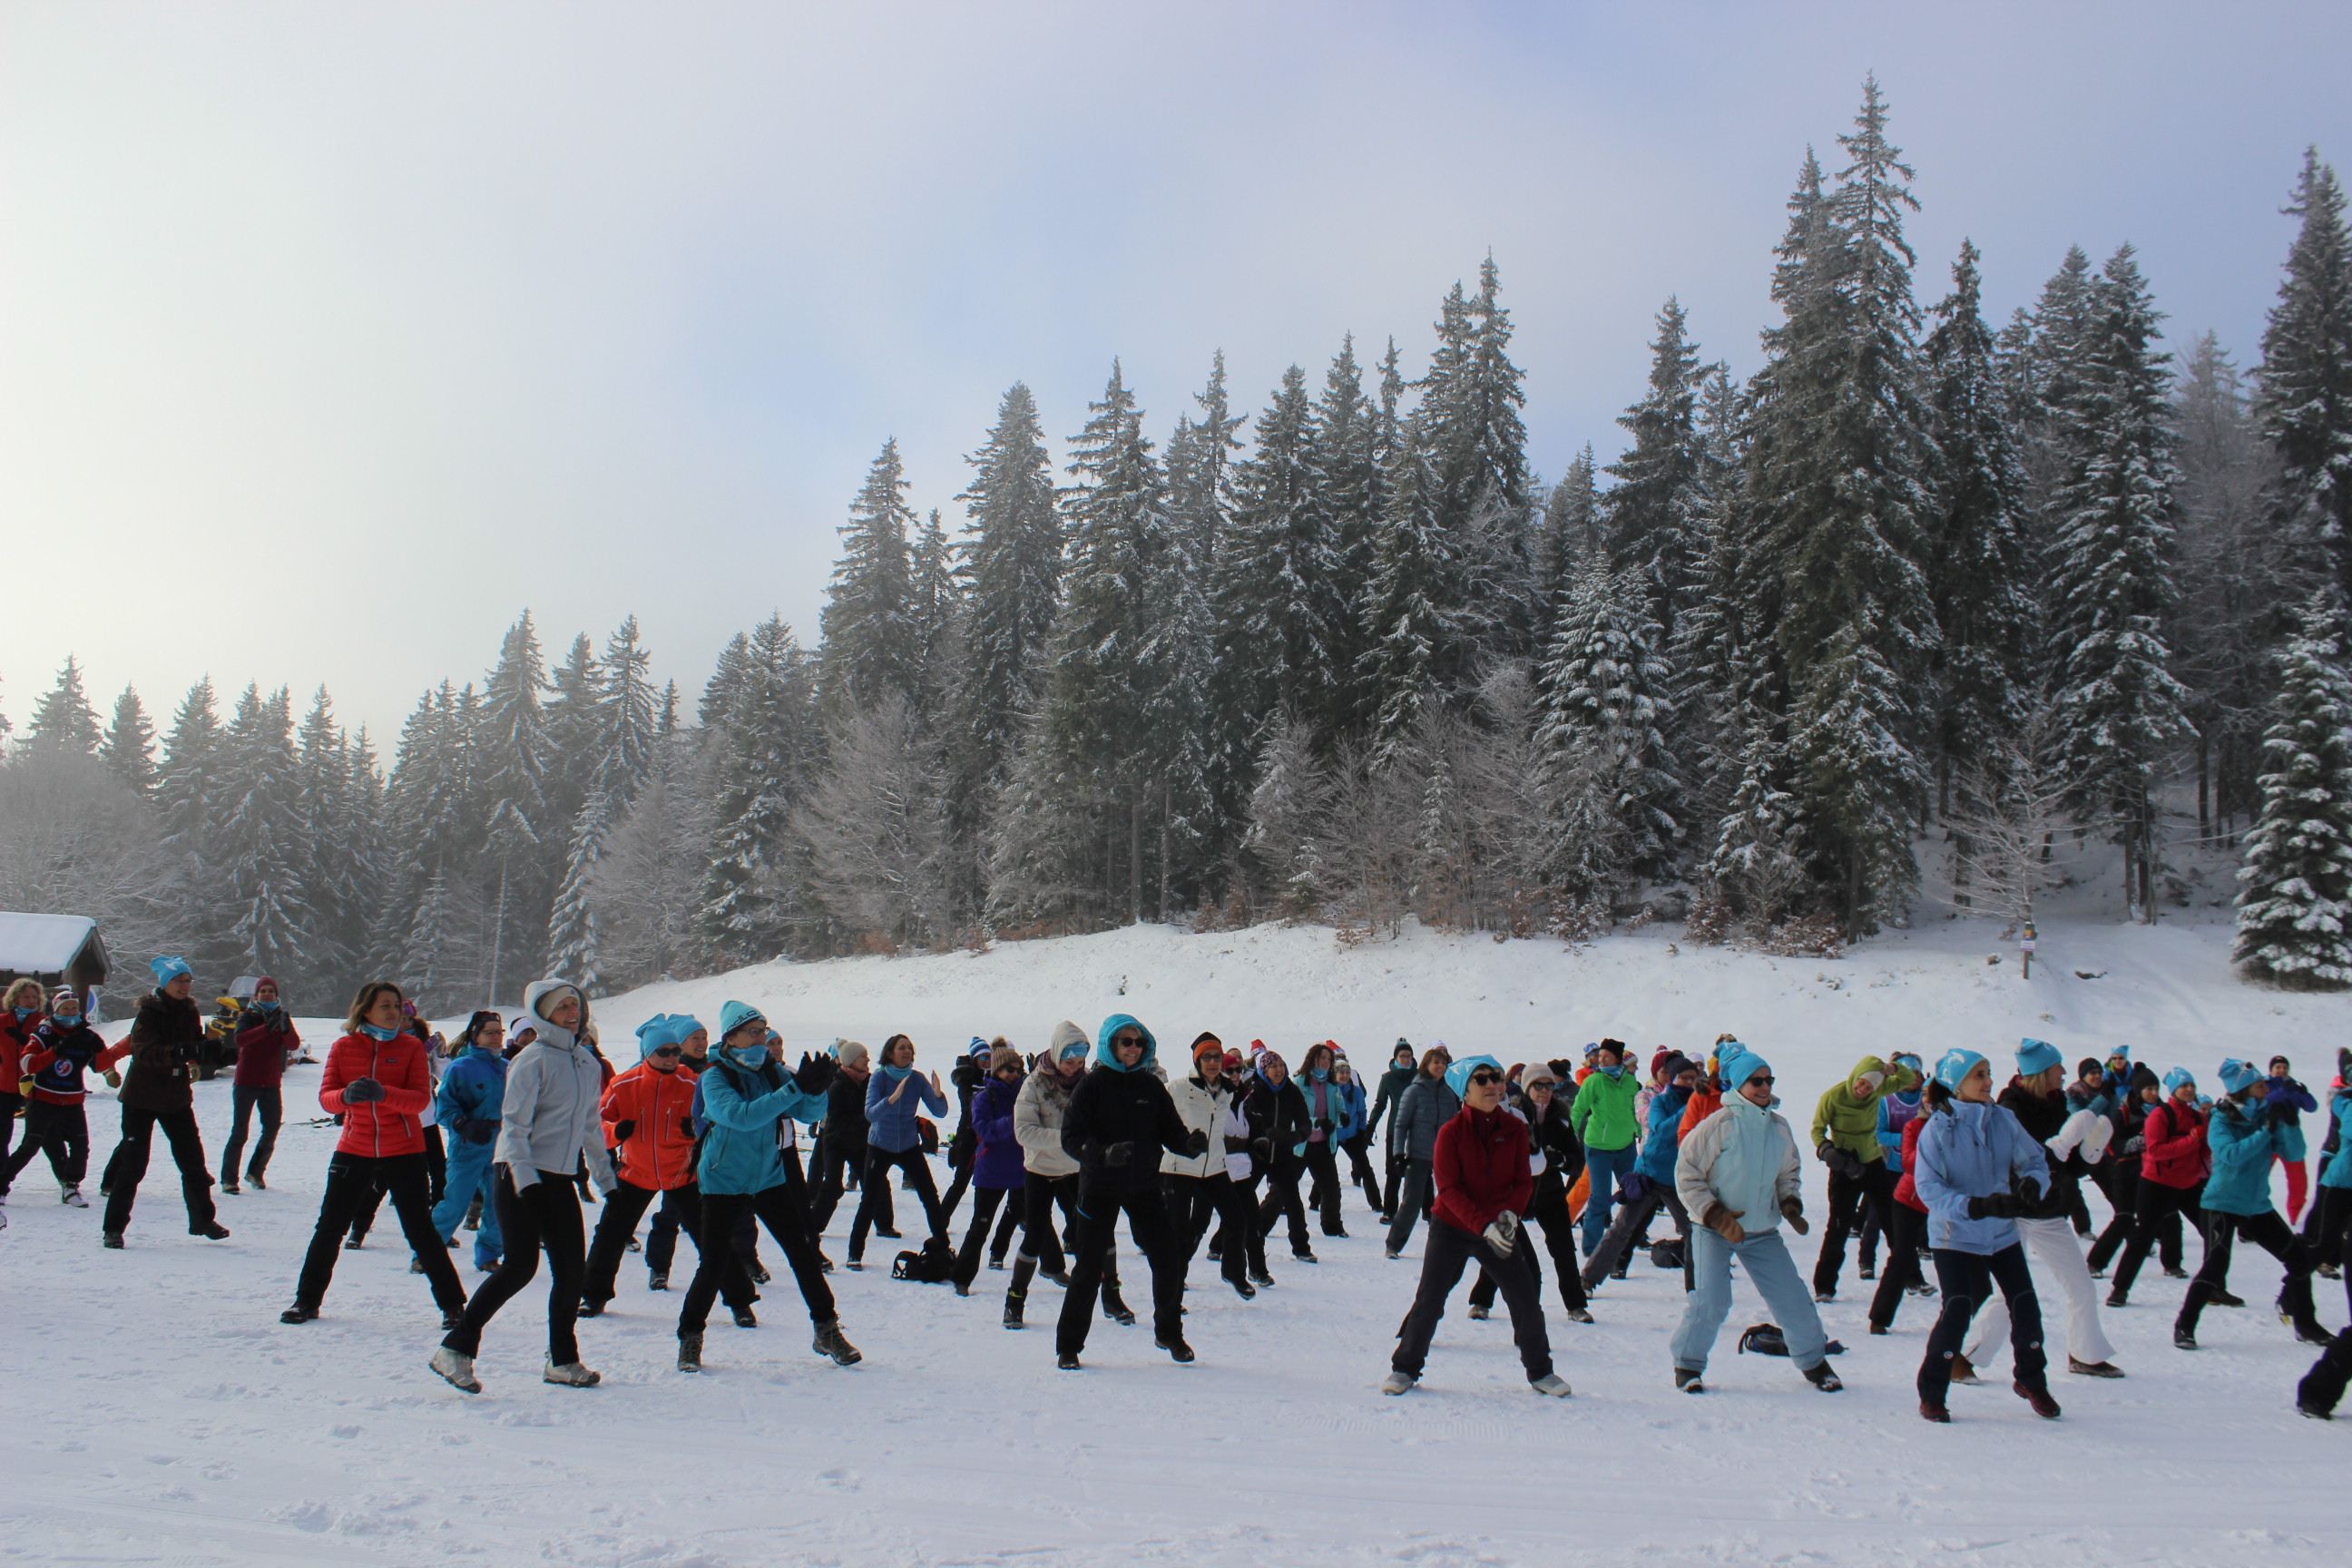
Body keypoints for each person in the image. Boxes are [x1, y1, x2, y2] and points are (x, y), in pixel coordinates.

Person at [429, 981, 615, 1392]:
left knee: (571, 1271)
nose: (572, 1010)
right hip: (516, 1172)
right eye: (563, 1005)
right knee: (519, 1267)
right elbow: (513, 1126)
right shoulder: (531, 1059)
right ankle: (455, 1350)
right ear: (542, 1013)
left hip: (559, 1176)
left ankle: (562, 1361)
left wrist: (607, 1181)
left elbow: (589, 1126)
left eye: (576, 1004)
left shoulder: (585, 1062)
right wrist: (526, 1181)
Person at [669, 1002, 857, 1376]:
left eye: (764, 1030)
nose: (762, 1037)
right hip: (723, 1180)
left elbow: (808, 1114)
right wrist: (796, 1089)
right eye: (753, 1031)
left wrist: (816, 1089)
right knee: (715, 1262)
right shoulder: (715, 1077)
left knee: (803, 1253)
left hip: (769, 1176)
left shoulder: (772, 1071)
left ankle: (827, 1329)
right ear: (731, 1037)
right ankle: (690, 1335)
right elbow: (741, 1116)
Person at [1384, 1054, 1571, 1398]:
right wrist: (1484, 1226)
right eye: (1480, 1079)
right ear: (1464, 1092)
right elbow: (1449, 1190)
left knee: (1525, 1298)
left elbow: (1522, 1179)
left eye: (1495, 1078)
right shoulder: (1450, 1133)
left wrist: (1510, 1215)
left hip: (1499, 1226)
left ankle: (1541, 1371)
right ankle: (1405, 1368)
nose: (1491, 1085)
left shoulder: (1514, 1128)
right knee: (1431, 1298)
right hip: (1452, 1227)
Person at [282, 981, 466, 1324]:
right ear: (365, 1009)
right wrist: (346, 1096)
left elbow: (419, 1100)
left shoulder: (411, 1047)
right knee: (330, 1227)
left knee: (420, 1230)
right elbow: (326, 1097)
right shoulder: (343, 1047)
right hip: (354, 1147)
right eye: (385, 1006)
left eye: (396, 1006)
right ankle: (306, 1301)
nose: (394, 1012)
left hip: (405, 1149)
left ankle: (453, 1306)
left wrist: (382, 1093)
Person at [1667, 1043, 1838, 1395]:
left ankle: (1814, 1362)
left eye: (1768, 1080)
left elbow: (1788, 1171)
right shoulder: (1718, 1124)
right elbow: (1687, 1174)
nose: (1764, 1087)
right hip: (1713, 1229)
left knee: (1793, 1299)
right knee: (1711, 1301)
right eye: (1755, 1081)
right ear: (1738, 1085)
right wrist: (1714, 1213)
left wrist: (1789, 1202)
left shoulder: (1779, 1127)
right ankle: (1688, 1364)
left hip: (1761, 1230)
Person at [1952, 1040, 2124, 1380]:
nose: (2063, 1073)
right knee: (2011, 1292)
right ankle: (1964, 1358)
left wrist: (2091, 1150)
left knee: (2081, 1286)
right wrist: (2060, 1144)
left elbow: (2067, 1167)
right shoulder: (2009, 1107)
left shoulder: (2057, 1102)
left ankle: (2085, 1355)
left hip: (2048, 1210)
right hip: (2014, 1208)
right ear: (2041, 1072)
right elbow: (2023, 1162)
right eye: (2058, 1067)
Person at [1912, 1047, 2061, 1424]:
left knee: (2025, 1303)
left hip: (2000, 1231)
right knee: (1958, 1307)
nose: (1989, 1081)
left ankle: (2031, 1380)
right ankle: (1932, 1391)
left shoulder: (2003, 1119)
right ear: (1955, 1083)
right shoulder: (1937, 1130)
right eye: (1979, 1075)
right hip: (1954, 1233)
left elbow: (2035, 1160)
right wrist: (1975, 1207)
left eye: (1988, 1073)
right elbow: (1929, 1190)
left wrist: (2031, 1184)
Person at [1053, 1014, 1209, 1369]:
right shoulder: (1091, 1087)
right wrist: (1103, 1154)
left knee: (1167, 1261)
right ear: (1111, 1045)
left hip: (1144, 1186)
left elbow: (1170, 1130)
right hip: (1100, 1187)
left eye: (1139, 1042)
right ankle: (1069, 1345)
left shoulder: (1151, 1086)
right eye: (1127, 1042)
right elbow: (1071, 1138)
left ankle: (1169, 1333)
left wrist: (1189, 1144)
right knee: (1089, 1267)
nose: (1134, 1048)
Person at [579, 1015, 750, 1317]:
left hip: (683, 1174)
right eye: (664, 1052)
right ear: (647, 1053)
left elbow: (717, 1120)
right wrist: (616, 1132)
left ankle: (740, 1301)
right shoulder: (624, 1084)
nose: (672, 1058)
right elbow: (594, 1125)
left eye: (675, 1051)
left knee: (712, 1238)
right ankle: (593, 1296)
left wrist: (696, 1128)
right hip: (634, 1173)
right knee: (609, 1234)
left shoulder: (693, 1083)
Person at [2175, 1057, 2330, 1351]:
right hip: (2221, 1202)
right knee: (2216, 1266)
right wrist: (2266, 1132)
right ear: (2245, 1089)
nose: (2266, 1086)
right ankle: (2184, 1325)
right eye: (2260, 1083)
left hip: (2256, 1204)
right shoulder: (2221, 1118)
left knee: (2298, 1260)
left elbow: (2295, 1154)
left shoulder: (2265, 1114)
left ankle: (2306, 1325)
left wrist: (2289, 1123)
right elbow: (2231, 1155)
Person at [100, 956, 230, 1249]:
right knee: (134, 1165)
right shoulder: (148, 1012)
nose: (184, 986)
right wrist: (187, 1049)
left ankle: (203, 1219)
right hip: (141, 1097)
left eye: (187, 980)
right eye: (178, 980)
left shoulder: (189, 1010)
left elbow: (195, 1045)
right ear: (165, 984)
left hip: (176, 1097)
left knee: (193, 1162)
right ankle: (113, 1228)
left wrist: (219, 1054)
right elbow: (146, 1052)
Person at [1466, 1059, 1592, 1324]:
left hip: (1550, 1194)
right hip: (1518, 1193)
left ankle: (1576, 1305)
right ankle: (1481, 1301)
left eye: (1548, 1085)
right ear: (1527, 1088)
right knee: (1503, 1241)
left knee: (1563, 1249)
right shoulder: (1515, 1115)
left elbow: (1575, 1160)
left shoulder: (1561, 1120)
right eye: (1538, 1085)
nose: (1544, 1090)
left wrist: (1561, 1160)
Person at [1006, 1022, 1101, 1329]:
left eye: (1080, 1062)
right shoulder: (1034, 1084)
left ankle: (1106, 1297)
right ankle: (1015, 1300)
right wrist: (1068, 1137)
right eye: (1068, 1061)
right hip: (1041, 1170)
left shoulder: (1087, 1082)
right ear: (1056, 1055)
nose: (1074, 1068)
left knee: (1091, 1232)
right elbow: (1023, 1131)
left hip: (1076, 1169)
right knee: (1034, 1236)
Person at [1808, 1053, 1922, 1302]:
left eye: (1869, 1087)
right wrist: (1826, 1149)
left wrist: (1891, 1068)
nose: (1862, 1090)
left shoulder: (1878, 1092)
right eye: (1861, 1083)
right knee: (1838, 1226)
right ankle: (1824, 1286)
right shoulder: (1833, 1096)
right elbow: (1817, 1129)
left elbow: (1906, 1078)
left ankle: (1913, 1278)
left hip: (1872, 1163)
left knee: (1893, 1221)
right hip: (1843, 1165)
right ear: (1855, 1076)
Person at [1583, 1052, 1698, 1291]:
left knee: (1694, 1234)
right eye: (1684, 1078)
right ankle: (1588, 1279)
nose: (1689, 1083)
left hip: (1679, 1178)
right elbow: (1660, 1129)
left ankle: (1696, 1289)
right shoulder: (1658, 1100)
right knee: (1624, 1227)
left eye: (1693, 1078)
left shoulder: (1699, 1103)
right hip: (1650, 1174)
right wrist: (1690, 1108)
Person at [2106, 1067, 2211, 1307]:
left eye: (2192, 1086)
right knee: (2142, 1237)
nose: (2189, 1090)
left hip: (2189, 1183)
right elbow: (2156, 1151)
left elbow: (2205, 1151)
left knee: (2213, 1233)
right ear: (2174, 1090)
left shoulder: (2199, 1117)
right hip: (2157, 1183)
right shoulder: (2160, 1116)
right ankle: (2119, 1289)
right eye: (2184, 1086)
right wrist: (2191, 1140)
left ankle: (2214, 1286)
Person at [1161, 1032, 1253, 1299]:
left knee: (1237, 1221)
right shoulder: (1178, 1088)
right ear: (1197, 1060)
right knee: (1179, 1234)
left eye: (1217, 1057)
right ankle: (1173, 1294)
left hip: (1214, 1168)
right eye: (1207, 1057)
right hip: (1179, 1169)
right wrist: (1180, 1141)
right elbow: (1157, 1119)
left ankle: (1233, 1272)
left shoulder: (1227, 1090)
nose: (1212, 1063)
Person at [848, 1034, 948, 1269]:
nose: (907, 1052)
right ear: (890, 1053)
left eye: (909, 1048)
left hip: (909, 1146)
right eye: (901, 1048)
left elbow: (940, 1113)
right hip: (880, 1145)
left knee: (930, 1197)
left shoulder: (917, 1079)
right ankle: (854, 1254)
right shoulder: (879, 1078)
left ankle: (943, 1247)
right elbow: (870, 1114)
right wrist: (890, 1100)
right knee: (869, 1200)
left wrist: (937, 1095)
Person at [5, 987, 103, 1205]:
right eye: (65, 1008)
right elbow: (28, 1062)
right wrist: (56, 1050)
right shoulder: (44, 1032)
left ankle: (71, 1186)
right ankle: (2, 1185)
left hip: (72, 1099)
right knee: (30, 1144)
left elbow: (102, 1062)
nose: (70, 1012)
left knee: (79, 1145)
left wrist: (124, 1047)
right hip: (38, 1097)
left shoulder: (86, 1035)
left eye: (74, 1008)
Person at [429, 1011, 508, 1274]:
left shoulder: (507, 1067)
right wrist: (464, 1125)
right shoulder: (461, 1067)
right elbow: (444, 1108)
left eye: (500, 1032)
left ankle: (488, 1255)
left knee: (498, 1203)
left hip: (501, 1144)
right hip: (468, 1144)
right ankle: (427, 1253)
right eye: (490, 1032)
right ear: (475, 1035)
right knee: (456, 1201)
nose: (496, 1037)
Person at [2086, 1064, 2182, 1279]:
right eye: (2149, 1089)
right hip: (2126, 1174)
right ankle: (2095, 1263)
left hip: (2156, 1173)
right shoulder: (2123, 1113)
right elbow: (2114, 1147)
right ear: (2138, 1091)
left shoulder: (2166, 1112)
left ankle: (2172, 1264)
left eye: (2156, 1089)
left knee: (2170, 1216)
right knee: (2124, 1219)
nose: (2154, 1093)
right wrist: (2142, 1141)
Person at [950, 1045, 1030, 1295]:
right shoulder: (985, 1097)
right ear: (996, 1070)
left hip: (1020, 1170)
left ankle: (1003, 1253)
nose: (1014, 1074)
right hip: (991, 1171)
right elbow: (984, 1130)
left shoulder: (1025, 1095)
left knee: (1027, 1219)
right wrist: (1014, 1119)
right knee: (980, 1227)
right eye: (1009, 1069)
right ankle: (962, 1277)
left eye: (1018, 1069)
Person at [219, 976, 299, 1194]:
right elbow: (240, 1040)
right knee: (240, 1131)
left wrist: (284, 1029)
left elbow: (293, 1044)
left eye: (270, 991)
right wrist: (265, 1029)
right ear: (256, 995)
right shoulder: (249, 1015)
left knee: (272, 1127)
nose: (267, 994)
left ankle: (256, 1171)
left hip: (271, 1083)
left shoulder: (281, 1016)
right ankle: (229, 1179)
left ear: (276, 995)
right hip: (246, 1081)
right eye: (263, 991)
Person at [1866, 1095, 1936, 1335]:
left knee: (1967, 1258)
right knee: (1902, 1257)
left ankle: (1974, 1317)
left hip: (1946, 1203)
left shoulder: (1960, 1129)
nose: (1931, 1104)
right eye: (1928, 1100)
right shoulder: (1914, 1127)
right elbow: (1909, 1163)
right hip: (1910, 1201)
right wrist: (1933, 1137)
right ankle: (1880, 1318)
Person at [1244, 1049, 1317, 1268]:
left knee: (1293, 1203)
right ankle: (1219, 1246)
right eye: (1274, 1067)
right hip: (1258, 1154)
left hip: (1283, 1154)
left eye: (1281, 1066)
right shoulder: (1254, 1091)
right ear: (1264, 1070)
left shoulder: (1292, 1092)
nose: (1279, 1070)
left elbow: (1305, 1120)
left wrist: (1298, 1136)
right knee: (1242, 1202)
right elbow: (1246, 1121)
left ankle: (1302, 1248)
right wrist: (1264, 1134)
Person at [1570, 1039, 1642, 1256]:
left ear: (1618, 1059)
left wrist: (1640, 1133)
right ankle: (1592, 1248)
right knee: (1600, 1197)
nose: (1601, 1060)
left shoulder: (1630, 1083)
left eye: (1606, 1056)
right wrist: (1569, 1135)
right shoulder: (1594, 1081)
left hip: (1625, 1146)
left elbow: (1634, 1111)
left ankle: (1625, 1243)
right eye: (1600, 1056)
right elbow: (1578, 1109)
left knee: (1632, 1195)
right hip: (1598, 1147)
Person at [1384, 1046, 1457, 1258]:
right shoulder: (1414, 1091)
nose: (1440, 1067)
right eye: (1436, 1062)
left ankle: (1453, 1244)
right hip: (1418, 1155)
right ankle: (1394, 1244)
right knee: (1412, 1202)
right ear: (1426, 1065)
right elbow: (1401, 1124)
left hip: (1444, 1157)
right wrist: (1398, 1154)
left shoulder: (1448, 1094)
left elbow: (1455, 1126)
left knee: (1452, 1202)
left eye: (1443, 1063)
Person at [809, 1039, 875, 1237]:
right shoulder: (837, 1085)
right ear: (851, 1060)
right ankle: (813, 1227)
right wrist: (868, 1118)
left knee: (874, 1184)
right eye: (863, 1056)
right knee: (832, 1186)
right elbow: (836, 1120)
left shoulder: (869, 1081)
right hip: (836, 1142)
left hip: (859, 1142)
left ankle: (885, 1225)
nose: (867, 1059)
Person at [1294, 1043, 1351, 1239]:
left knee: (1332, 1189)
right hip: (1300, 1145)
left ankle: (1333, 1226)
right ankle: (1262, 1224)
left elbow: (1338, 1107)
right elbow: (1294, 1118)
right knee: (1283, 1190)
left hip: (1324, 1145)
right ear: (1313, 1060)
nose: (1326, 1062)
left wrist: (1342, 1117)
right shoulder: (1299, 1083)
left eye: (1328, 1059)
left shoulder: (1331, 1085)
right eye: (1322, 1058)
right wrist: (1317, 1122)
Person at [938, 1037, 993, 1227]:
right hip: (968, 1137)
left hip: (990, 1137)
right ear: (974, 1060)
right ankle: (941, 1219)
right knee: (961, 1182)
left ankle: (1021, 1218)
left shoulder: (996, 1076)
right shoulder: (966, 1079)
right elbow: (969, 1104)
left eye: (989, 1057)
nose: (987, 1061)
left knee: (998, 1182)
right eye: (982, 1057)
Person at [2264, 1056, 2319, 1224]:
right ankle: (2253, 1219)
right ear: (2271, 1070)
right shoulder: (2264, 1085)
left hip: (2291, 1138)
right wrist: (2282, 1090)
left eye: (2284, 1067)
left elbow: (2312, 1107)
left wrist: (2305, 1094)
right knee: (2258, 1177)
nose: (2281, 1070)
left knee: (2298, 1182)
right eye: (2278, 1067)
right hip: (2268, 1138)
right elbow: (2263, 1103)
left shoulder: (2294, 1086)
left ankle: (2297, 1219)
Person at [1367, 1040, 1417, 1220]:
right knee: (1393, 1171)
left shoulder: (1420, 1077)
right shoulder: (1388, 1078)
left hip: (1417, 1130)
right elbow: (1380, 1104)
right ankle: (1389, 1211)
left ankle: (1423, 1212)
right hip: (1394, 1130)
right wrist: (1371, 1125)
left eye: (1408, 1056)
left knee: (1419, 1172)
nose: (1405, 1059)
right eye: (1402, 1056)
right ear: (1395, 1058)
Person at [0, 978, 43, 1191]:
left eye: (34, 997)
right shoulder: (2, 1021)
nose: (30, 1001)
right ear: (14, 997)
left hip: (35, 1087)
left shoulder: (44, 1023)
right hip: (5, 1086)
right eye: (26, 996)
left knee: (43, 1137)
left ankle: (68, 1180)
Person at [1333, 1057, 1383, 1214]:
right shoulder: (1330, 1090)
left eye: (1347, 1073)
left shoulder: (1357, 1091)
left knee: (1365, 1169)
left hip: (1352, 1135)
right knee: (1326, 1170)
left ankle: (1376, 1203)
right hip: (1333, 1135)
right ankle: (1315, 1202)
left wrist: (1362, 1131)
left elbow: (1362, 1112)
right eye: (1341, 1073)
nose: (1345, 1076)